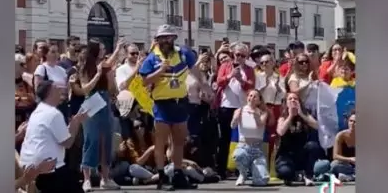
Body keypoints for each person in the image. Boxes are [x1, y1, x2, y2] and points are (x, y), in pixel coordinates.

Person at [138, 24, 201, 190]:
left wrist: (205, 86)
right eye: (163, 38)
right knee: (161, 143)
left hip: (180, 102)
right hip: (162, 104)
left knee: (179, 141)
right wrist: (160, 70)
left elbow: (194, 69)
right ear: (157, 40)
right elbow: (144, 81)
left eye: (170, 37)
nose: (167, 40)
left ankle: (178, 174)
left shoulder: (182, 53)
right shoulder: (151, 58)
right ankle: (161, 177)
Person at [18, 80, 88, 193]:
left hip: (32, 167)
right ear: (49, 93)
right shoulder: (53, 114)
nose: (61, 91)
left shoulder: (38, 112)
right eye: (57, 89)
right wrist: (76, 123)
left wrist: (73, 123)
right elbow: (68, 143)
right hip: (49, 170)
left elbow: (60, 135)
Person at [78, 38, 125, 192]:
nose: (104, 51)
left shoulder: (104, 65)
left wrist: (117, 49)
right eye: (102, 48)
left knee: (106, 140)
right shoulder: (86, 65)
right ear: (95, 50)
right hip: (92, 100)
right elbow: (85, 88)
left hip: (104, 101)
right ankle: (86, 179)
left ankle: (105, 178)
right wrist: (98, 75)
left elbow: (109, 63)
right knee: (91, 140)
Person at [214, 43, 255, 179]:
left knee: (242, 139)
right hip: (226, 106)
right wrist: (230, 76)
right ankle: (221, 169)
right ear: (233, 54)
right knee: (224, 139)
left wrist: (241, 81)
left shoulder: (249, 69)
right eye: (237, 54)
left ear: (246, 56)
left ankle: (241, 169)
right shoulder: (225, 66)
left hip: (242, 107)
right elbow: (219, 81)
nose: (239, 58)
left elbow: (251, 86)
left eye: (243, 55)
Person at [274, 92, 326, 186]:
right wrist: (290, 116)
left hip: (301, 154)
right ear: (286, 102)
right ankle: (292, 175)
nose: (293, 100)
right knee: (285, 173)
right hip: (286, 156)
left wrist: (301, 114)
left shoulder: (305, 115)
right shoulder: (282, 117)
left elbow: (317, 126)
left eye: (295, 99)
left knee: (313, 146)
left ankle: (308, 176)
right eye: (290, 99)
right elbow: (280, 132)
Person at [230, 89, 270, 187]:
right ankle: (243, 174)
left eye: (255, 96)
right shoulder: (239, 110)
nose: (251, 98)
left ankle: (255, 169)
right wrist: (235, 118)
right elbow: (233, 126)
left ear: (259, 101)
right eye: (250, 95)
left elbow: (260, 124)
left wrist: (255, 114)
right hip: (243, 146)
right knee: (238, 155)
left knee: (261, 182)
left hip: (257, 149)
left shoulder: (263, 112)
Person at [34, 45, 70, 122]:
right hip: (48, 106)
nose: (56, 54)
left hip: (62, 106)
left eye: (57, 52)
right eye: (53, 52)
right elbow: (38, 90)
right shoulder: (41, 68)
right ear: (46, 54)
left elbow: (67, 88)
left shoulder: (62, 70)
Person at [331, 111, 356, 180]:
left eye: (355, 122)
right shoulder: (340, 135)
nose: (352, 124)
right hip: (345, 164)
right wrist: (350, 159)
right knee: (334, 165)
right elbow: (335, 156)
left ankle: (350, 176)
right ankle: (353, 176)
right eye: (351, 121)